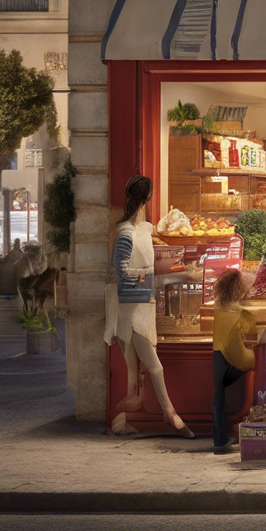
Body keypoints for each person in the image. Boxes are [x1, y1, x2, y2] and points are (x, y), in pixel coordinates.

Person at [105, 175, 194, 437]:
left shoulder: (145, 230)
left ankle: (117, 424)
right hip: (130, 311)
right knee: (155, 367)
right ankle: (170, 414)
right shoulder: (126, 234)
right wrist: (152, 272)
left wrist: (181, 275)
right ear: (148, 198)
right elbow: (123, 272)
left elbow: (152, 275)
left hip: (142, 305)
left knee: (134, 377)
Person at [211, 268, 256, 454]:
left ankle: (219, 439)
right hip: (237, 359)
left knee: (218, 397)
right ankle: (247, 422)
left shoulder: (216, 309)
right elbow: (252, 333)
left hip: (218, 356)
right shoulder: (242, 313)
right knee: (254, 362)